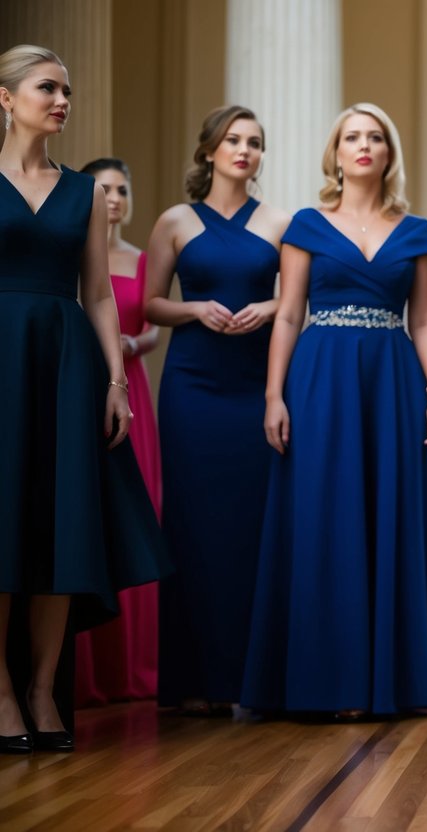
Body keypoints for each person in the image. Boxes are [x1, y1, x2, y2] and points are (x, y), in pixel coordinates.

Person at [243, 103, 427, 718]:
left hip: (390, 378)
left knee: (385, 517)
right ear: (335, 153)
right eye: (351, 137)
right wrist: (274, 395)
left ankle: (386, 683)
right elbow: (286, 313)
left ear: (389, 153)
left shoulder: (416, 230)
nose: (363, 146)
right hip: (320, 377)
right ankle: (322, 681)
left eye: (375, 137)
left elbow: (424, 319)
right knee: (322, 518)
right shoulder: (306, 224)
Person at [0, 44, 167, 754]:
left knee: (60, 524)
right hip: (2, 358)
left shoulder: (85, 193)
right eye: (47, 88)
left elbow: (99, 293)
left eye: (66, 90)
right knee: (4, 520)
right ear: (5, 98)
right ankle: (1, 691)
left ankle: (42, 687)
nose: (62, 100)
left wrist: (113, 384)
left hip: (67, 362)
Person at [145, 105, 289, 714]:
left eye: (254, 143)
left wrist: (272, 307)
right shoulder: (175, 220)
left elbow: (299, 298)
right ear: (209, 151)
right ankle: (190, 683)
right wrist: (195, 309)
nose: (244, 151)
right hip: (193, 386)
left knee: (253, 528)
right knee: (192, 527)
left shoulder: (280, 221)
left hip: (255, 386)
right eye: (233, 140)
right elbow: (151, 304)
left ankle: (250, 682)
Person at [74, 157, 161, 707]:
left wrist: (132, 347)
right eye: (104, 188)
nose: (114, 198)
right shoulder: (70, 251)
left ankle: (135, 668)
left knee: (138, 512)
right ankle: (85, 670)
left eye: (122, 189)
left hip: (131, 387)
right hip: (78, 381)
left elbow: (150, 326)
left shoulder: (142, 259)